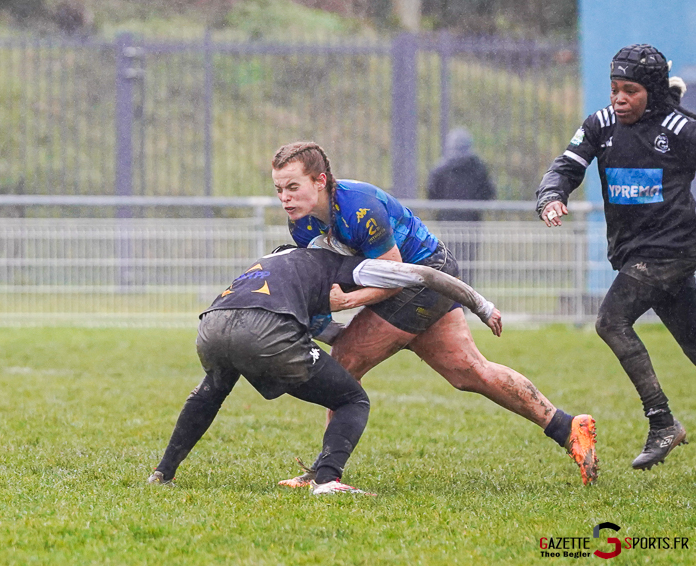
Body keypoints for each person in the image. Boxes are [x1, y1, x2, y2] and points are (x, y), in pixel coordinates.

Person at [271, 141, 598, 486]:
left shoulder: (359, 208)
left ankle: (325, 473)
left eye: (293, 187)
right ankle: (568, 427)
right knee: (470, 372)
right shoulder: (302, 224)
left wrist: (348, 303)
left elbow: (396, 277)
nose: (285, 198)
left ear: (320, 181)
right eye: (279, 189)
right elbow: (329, 278)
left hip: (426, 275)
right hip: (409, 280)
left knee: (346, 360)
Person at [147, 242, 502, 495]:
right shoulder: (332, 262)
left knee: (209, 394)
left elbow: (324, 331)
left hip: (211, 326)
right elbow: (424, 274)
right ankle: (327, 481)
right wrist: (481, 305)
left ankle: (163, 473)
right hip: (265, 328)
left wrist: (381, 338)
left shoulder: (266, 265)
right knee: (352, 399)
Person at [536, 43, 696, 471]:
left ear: (654, 92)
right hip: (634, 254)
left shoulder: (681, 129)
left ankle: (661, 420)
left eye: (631, 91)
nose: (619, 99)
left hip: (672, 250)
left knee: (611, 320)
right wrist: (551, 195)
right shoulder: (601, 125)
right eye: (614, 89)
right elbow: (565, 167)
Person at [426, 127, 496, 285]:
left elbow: (432, 195)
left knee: (450, 260)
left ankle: (453, 298)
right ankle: (465, 296)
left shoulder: (441, 169)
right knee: (468, 261)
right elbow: (488, 194)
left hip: (449, 222)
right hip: (471, 222)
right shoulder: (478, 168)